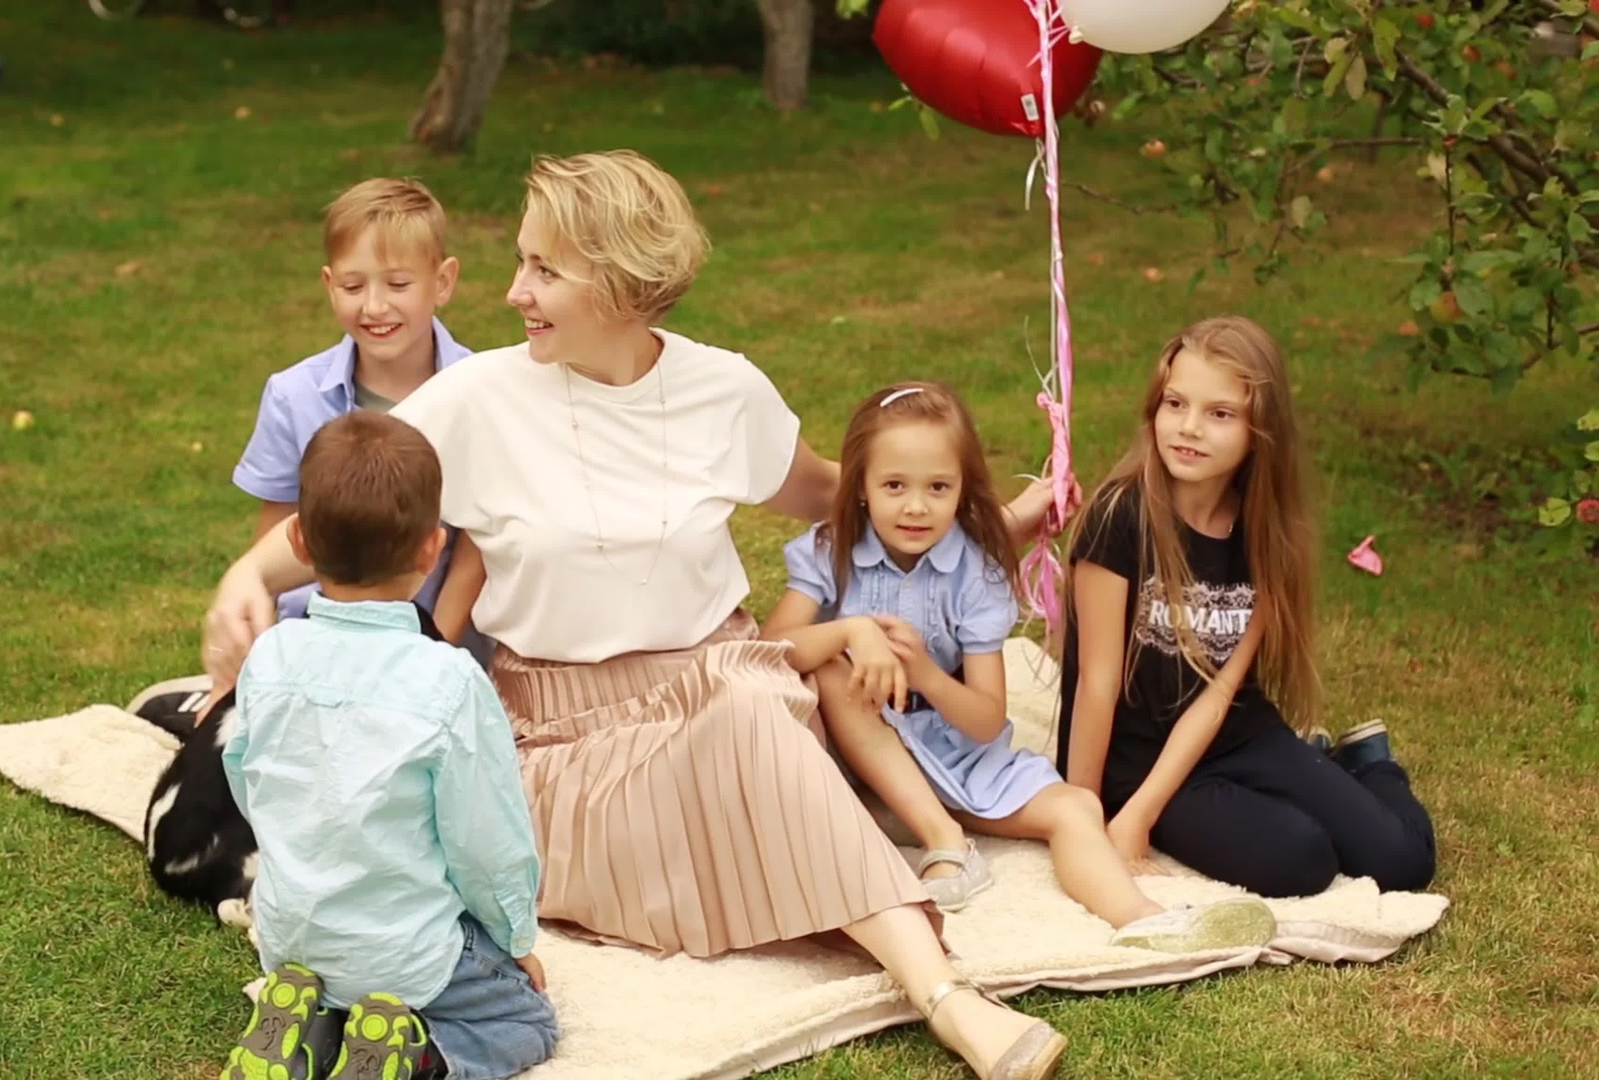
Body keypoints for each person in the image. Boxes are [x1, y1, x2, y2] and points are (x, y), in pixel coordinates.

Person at [205, 150, 1072, 1080]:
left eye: (543, 270)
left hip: (715, 679)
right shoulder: (472, 399)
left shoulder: (723, 389)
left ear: (621, 284)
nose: (512, 292)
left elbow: (832, 493)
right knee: (755, 775)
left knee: (751, 716)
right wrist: (246, 575)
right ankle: (817, 886)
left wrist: (1002, 520)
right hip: (554, 732)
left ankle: (942, 994)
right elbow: (345, 511)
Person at [761, 380, 1276, 953]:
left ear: (963, 492)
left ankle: (1145, 921)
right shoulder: (830, 551)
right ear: (859, 487)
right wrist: (852, 631)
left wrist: (928, 673)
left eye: (938, 487)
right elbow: (768, 653)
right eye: (894, 485)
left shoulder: (974, 574)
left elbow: (985, 720)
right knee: (833, 668)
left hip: (952, 752)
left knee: (1076, 806)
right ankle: (943, 840)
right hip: (859, 756)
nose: (915, 505)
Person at [219, 411, 556, 1080]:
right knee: (527, 1022)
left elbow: (244, 774)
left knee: (350, 979)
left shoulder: (271, 655)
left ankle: (307, 1024)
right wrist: (516, 939)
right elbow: (486, 838)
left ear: (301, 543)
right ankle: (419, 1060)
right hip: (406, 952)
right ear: (433, 550)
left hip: (291, 937)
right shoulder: (449, 679)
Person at [1059, 316, 1436, 898]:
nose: (1188, 428)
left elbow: (1221, 690)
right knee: (1300, 859)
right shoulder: (1121, 517)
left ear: (1261, 430)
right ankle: (1308, 780)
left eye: (1220, 414)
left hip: (1232, 728)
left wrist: (1142, 820)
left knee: (1402, 861)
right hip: (1136, 754)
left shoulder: (1267, 530)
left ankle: (1367, 766)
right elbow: (1097, 685)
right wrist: (1089, 822)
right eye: (1175, 403)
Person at [130, 177, 475, 729]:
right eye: (353, 285)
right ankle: (211, 700)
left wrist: (431, 661)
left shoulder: (481, 393)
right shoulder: (293, 395)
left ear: (443, 281)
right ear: (328, 283)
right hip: (317, 646)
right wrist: (260, 669)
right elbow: (280, 547)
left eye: (399, 283)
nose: (375, 306)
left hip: (436, 644)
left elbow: (476, 558)